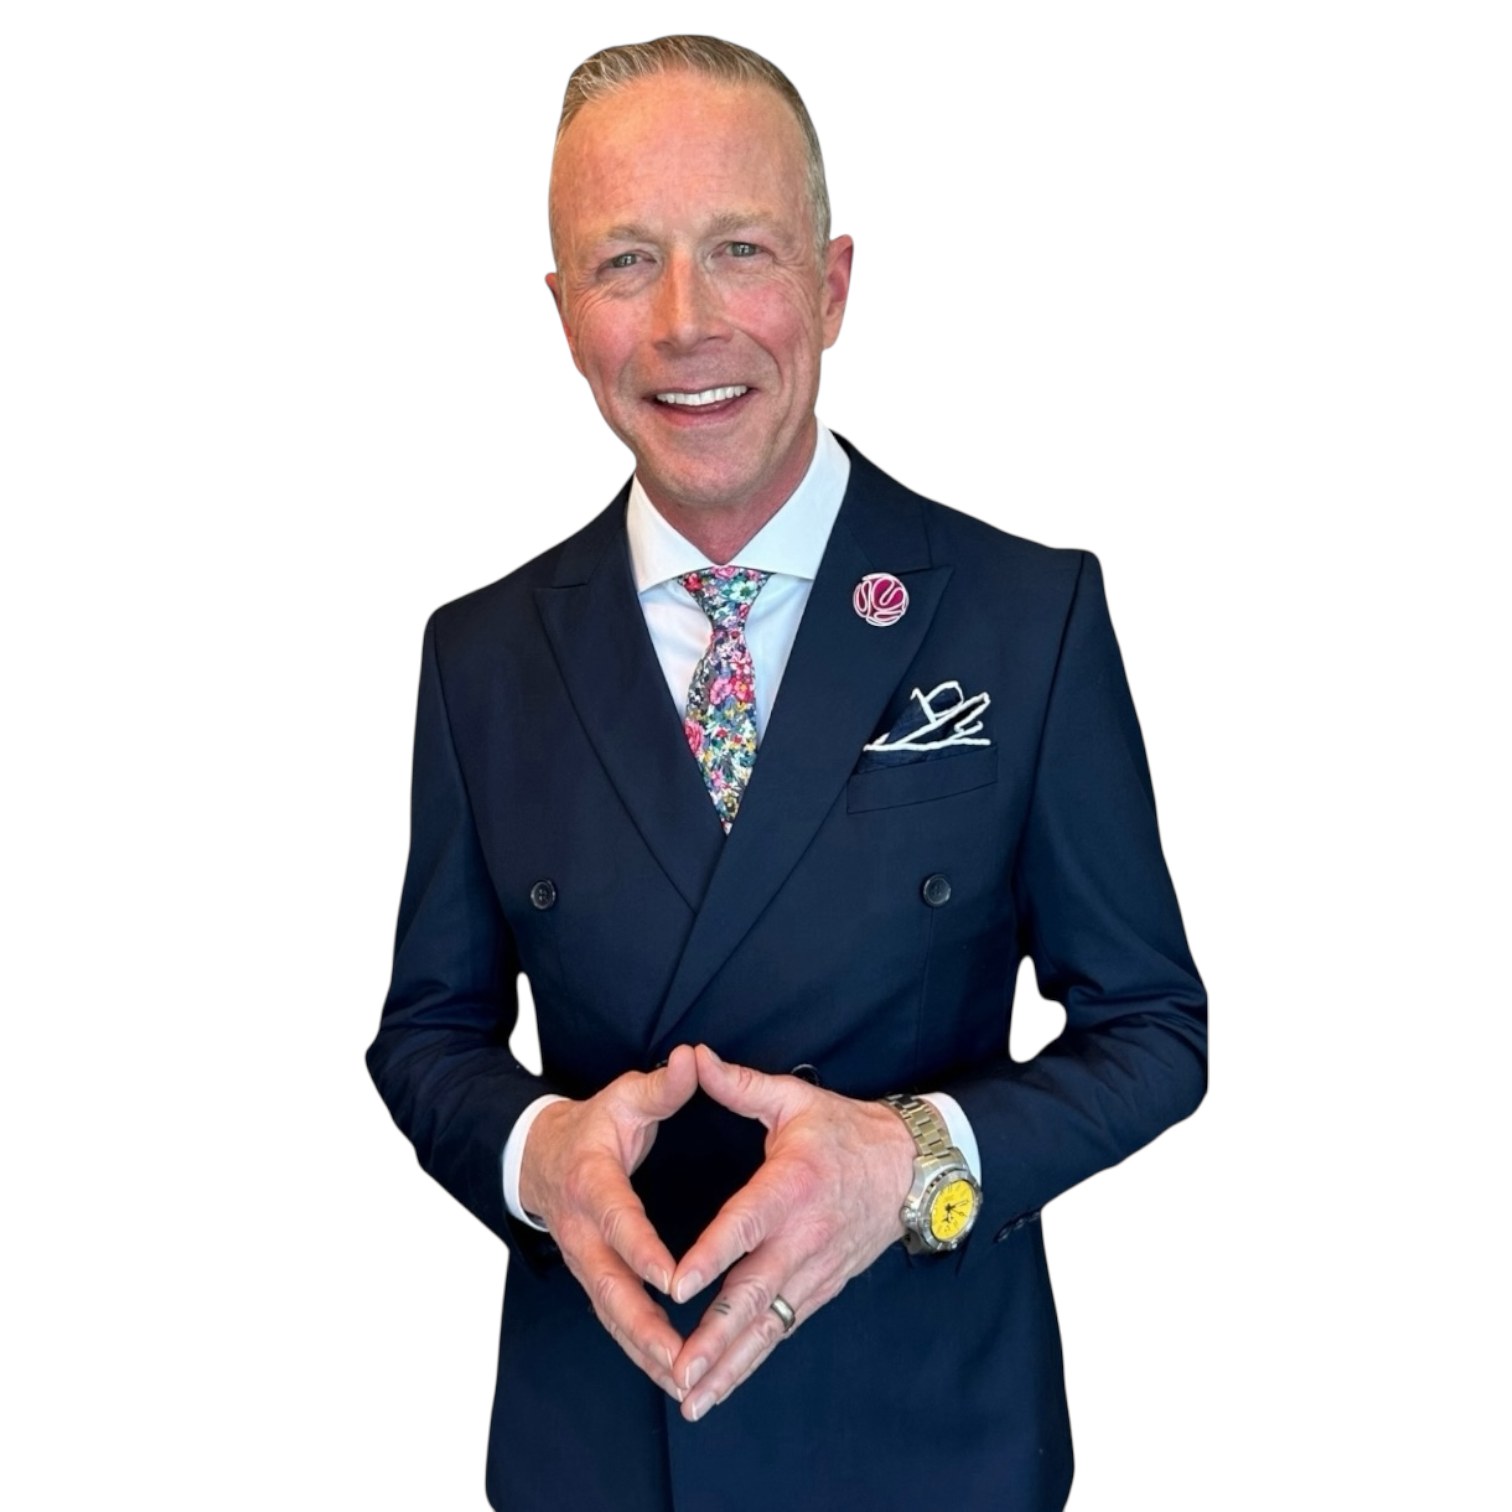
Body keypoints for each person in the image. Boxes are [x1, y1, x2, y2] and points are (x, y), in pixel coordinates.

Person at [368, 33, 1206, 1512]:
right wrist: (534, 1153)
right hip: (601, 1447)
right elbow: (429, 1032)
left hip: (934, 1444)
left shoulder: (1026, 616)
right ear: (563, 315)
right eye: (625, 263)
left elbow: (1152, 1029)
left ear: (831, 285)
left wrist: (915, 1163)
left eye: (740, 250)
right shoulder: (481, 654)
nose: (686, 324)